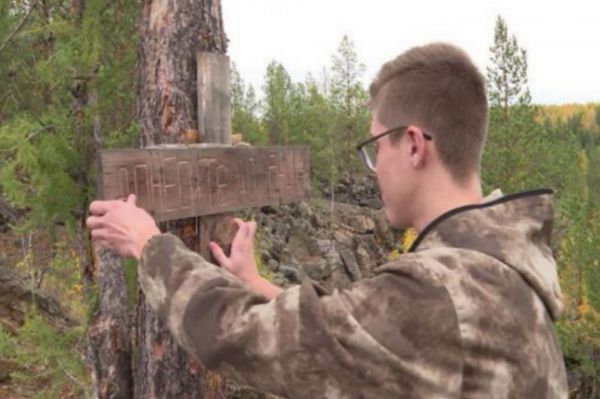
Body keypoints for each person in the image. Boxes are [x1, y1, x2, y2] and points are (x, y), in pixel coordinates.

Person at [86, 43, 568, 398]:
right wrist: (256, 282)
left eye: (376, 146)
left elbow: (243, 338)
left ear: (415, 145)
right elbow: (357, 326)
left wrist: (150, 244)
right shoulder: (500, 266)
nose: (374, 167)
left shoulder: (437, 291)